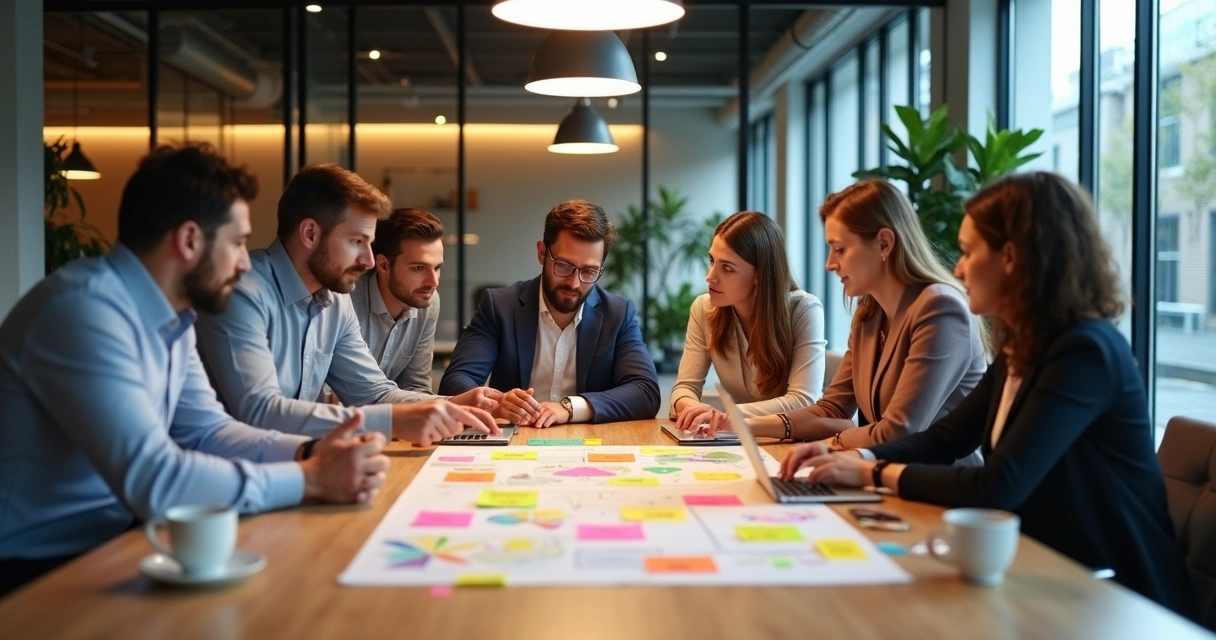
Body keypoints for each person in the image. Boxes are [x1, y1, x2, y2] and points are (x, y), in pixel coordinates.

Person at [780, 172, 1195, 615]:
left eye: (969, 251)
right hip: (1045, 572)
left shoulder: (1082, 351)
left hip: (1116, 596)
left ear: (1011, 258)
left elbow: (1000, 486)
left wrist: (872, 474)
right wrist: (856, 459)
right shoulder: (1025, 344)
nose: (957, 268)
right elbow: (946, 439)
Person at [0, 145, 387, 596]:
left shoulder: (173, 316)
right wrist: (311, 478)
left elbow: (209, 432)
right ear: (188, 241)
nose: (246, 262)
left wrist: (313, 452)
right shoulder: (83, 310)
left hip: (118, 545)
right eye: (238, 242)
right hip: (34, 570)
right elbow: (155, 479)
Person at [195, 164, 499, 441]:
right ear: (310, 233)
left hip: (298, 461)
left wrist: (454, 405)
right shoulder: (242, 293)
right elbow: (261, 412)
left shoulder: (335, 301)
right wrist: (392, 422)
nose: (368, 261)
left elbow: (373, 394)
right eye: (357, 242)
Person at [720, 181, 986, 465]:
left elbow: (901, 430)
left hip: (939, 488)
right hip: (882, 476)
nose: (829, 264)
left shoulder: (940, 308)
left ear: (884, 243)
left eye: (840, 249)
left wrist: (839, 440)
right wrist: (745, 424)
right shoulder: (869, 314)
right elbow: (832, 409)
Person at [438, 199, 660, 427]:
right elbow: (454, 382)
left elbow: (646, 392)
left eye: (589, 271)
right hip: (515, 443)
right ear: (542, 253)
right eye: (564, 265)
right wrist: (496, 403)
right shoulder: (499, 307)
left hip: (589, 442)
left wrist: (571, 407)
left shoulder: (618, 314)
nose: (574, 283)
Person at [670, 211, 826, 430]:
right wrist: (692, 408)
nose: (710, 276)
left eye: (727, 268)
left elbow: (803, 400)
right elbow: (684, 387)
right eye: (712, 261)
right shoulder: (704, 308)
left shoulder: (804, 309)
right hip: (740, 440)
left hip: (793, 440)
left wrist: (725, 415)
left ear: (760, 274)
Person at [350, 208, 444, 393]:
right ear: (383, 265)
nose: (433, 282)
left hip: (387, 417)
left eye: (437, 268)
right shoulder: (346, 300)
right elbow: (332, 394)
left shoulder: (429, 303)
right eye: (418, 268)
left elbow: (416, 387)